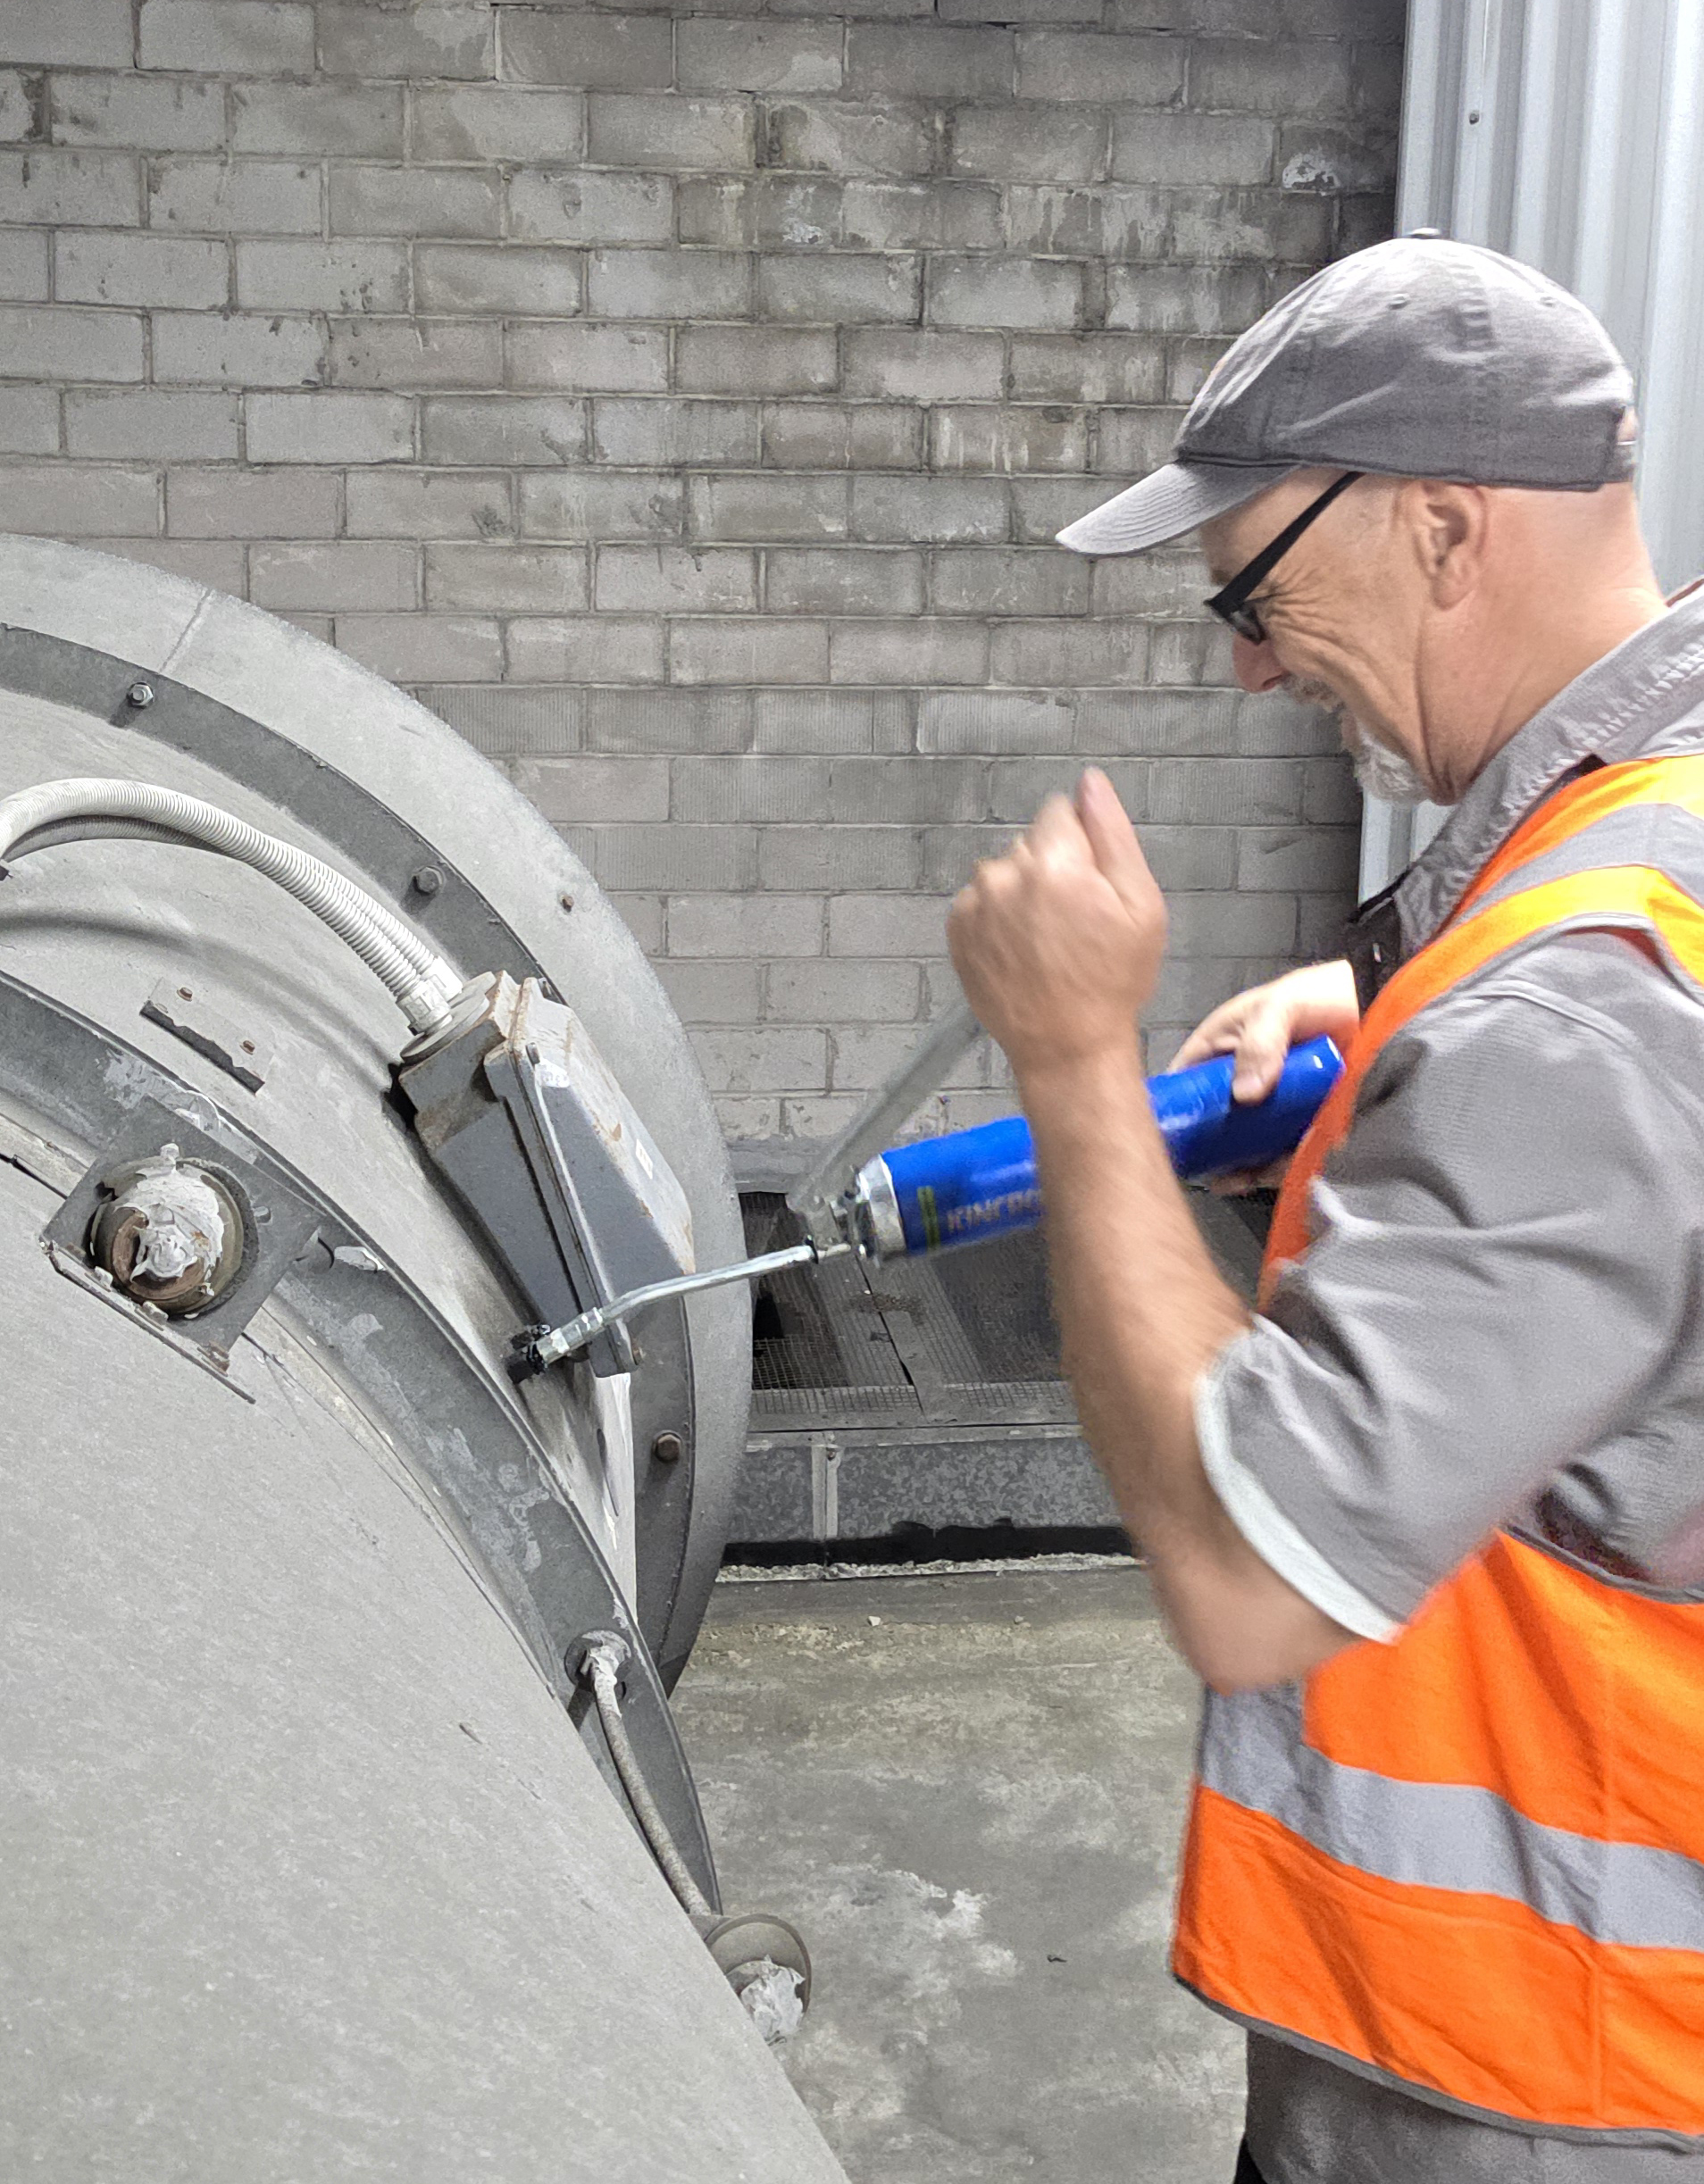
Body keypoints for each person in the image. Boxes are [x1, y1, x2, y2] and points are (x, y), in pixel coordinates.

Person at [945, 233, 1704, 2183]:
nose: (1250, 661)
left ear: (1450, 533)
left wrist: (1075, 1064)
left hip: (1542, 2079)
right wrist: (1388, 1016)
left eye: (1260, 593)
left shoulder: (1575, 1011)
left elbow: (1245, 1571)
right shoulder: (1651, 833)